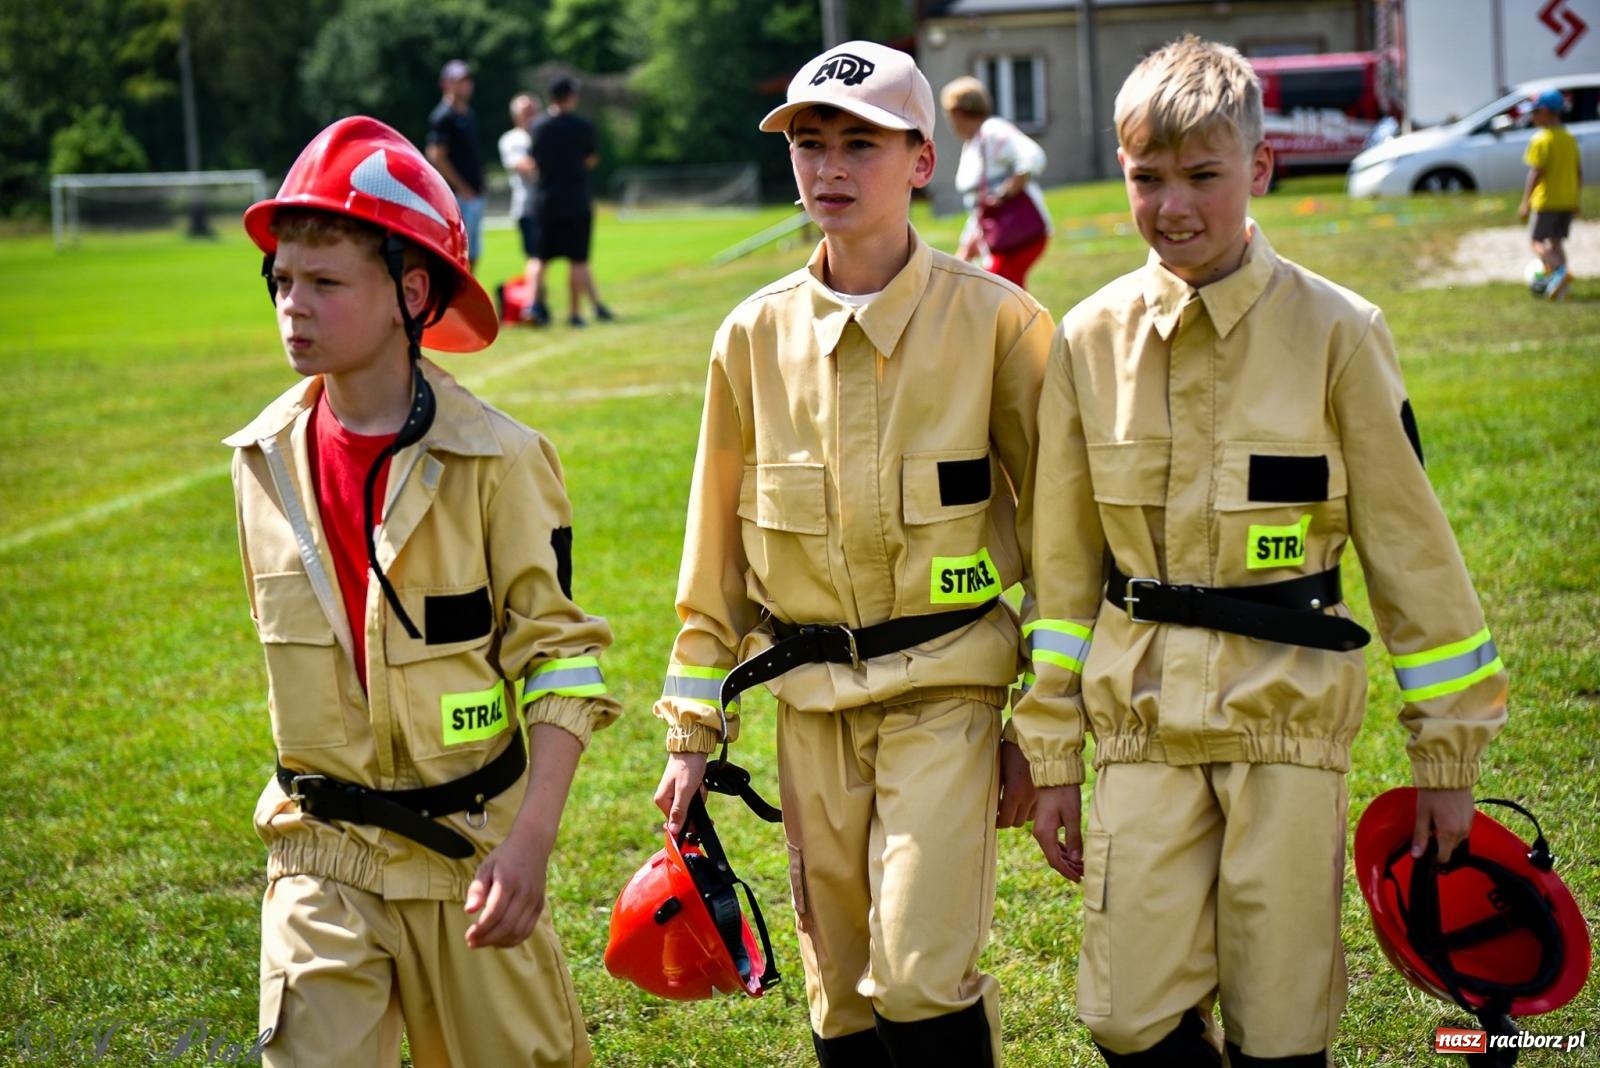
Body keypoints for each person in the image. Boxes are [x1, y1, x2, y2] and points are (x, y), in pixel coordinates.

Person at [1014, 35, 1508, 1066]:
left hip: (1286, 726)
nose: (1173, 207)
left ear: (1262, 169)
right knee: (1124, 1014)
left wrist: (1446, 756)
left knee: (1280, 1025)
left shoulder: (1337, 331)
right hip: (1141, 725)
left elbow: (1412, 558)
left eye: (1203, 175)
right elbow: (1060, 578)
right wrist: (1052, 751)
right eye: (1147, 179)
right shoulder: (1087, 341)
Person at [651, 39, 1052, 1067]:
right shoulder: (750, 337)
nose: (828, 168)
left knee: (920, 972)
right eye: (810, 144)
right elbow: (715, 565)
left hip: (948, 694)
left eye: (860, 145)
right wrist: (690, 731)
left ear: (922, 161)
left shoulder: (1000, 324)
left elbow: (1062, 545)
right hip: (810, 706)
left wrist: (1045, 736)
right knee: (840, 998)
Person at [229, 115, 619, 1067]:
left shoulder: (502, 460)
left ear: (410, 293)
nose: (293, 306)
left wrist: (528, 845)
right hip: (319, 855)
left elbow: (564, 667)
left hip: (469, 858)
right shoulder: (259, 460)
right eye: (282, 281)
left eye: (324, 282)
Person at [940, 75, 1052, 290]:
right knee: (1000, 296)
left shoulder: (992, 131)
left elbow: (1033, 157)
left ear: (957, 112)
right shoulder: (973, 142)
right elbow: (979, 206)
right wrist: (967, 246)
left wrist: (1004, 193)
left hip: (1018, 233)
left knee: (995, 293)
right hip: (999, 238)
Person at [527, 76, 613, 327]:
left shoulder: (539, 126)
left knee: (540, 257)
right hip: (576, 200)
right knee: (577, 259)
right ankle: (574, 313)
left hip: (546, 199)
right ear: (571, 97)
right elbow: (591, 159)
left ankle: (532, 305)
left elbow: (534, 160)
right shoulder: (582, 126)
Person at [1518, 87, 1581, 301]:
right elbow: (1578, 171)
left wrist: (1526, 202)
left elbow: (1537, 173)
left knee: (1536, 241)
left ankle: (1560, 273)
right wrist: (1576, 199)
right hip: (1567, 199)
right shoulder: (1569, 137)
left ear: (1545, 112)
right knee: (1556, 242)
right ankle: (1561, 289)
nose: (1532, 116)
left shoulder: (1541, 139)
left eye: (1535, 112)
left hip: (1546, 201)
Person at [427, 58, 486, 273]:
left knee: (475, 253)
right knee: (458, 254)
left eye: (467, 80)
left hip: (474, 193)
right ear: (446, 84)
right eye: (459, 81)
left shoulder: (469, 114)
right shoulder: (443, 116)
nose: (465, 85)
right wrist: (462, 187)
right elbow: (437, 156)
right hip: (458, 197)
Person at [499, 91, 549, 321]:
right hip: (527, 208)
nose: (530, 116)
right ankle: (532, 306)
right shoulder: (512, 139)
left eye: (533, 110)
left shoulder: (545, 132)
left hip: (549, 207)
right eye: (525, 111)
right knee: (536, 256)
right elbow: (526, 168)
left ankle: (540, 304)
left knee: (544, 259)